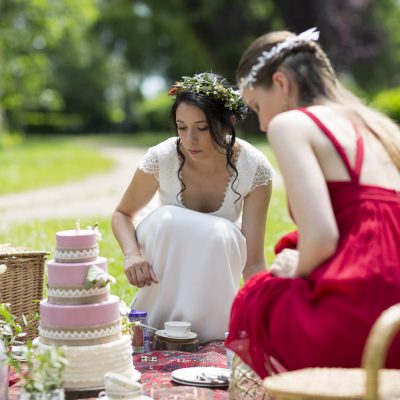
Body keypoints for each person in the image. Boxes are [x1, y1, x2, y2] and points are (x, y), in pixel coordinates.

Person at [226, 28, 400, 377]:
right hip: (394, 314)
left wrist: (298, 270)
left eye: (258, 106)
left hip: (362, 310)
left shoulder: (292, 124)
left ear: (281, 82)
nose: (261, 123)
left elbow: (321, 238)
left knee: (257, 296)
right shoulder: (379, 126)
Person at [112, 72, 274, 343]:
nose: (190, 139)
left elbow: (254, 260)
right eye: (181, 127)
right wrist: (131, 255)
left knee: (223, 234)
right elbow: (122, 214)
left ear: (227, 123)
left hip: (215, 257)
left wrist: (266, 314)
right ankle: (154, 324)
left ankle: (212, 331)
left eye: (202, 127)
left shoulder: (254, 167)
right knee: (166, 219)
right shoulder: (161, 157)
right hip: (166, 251)